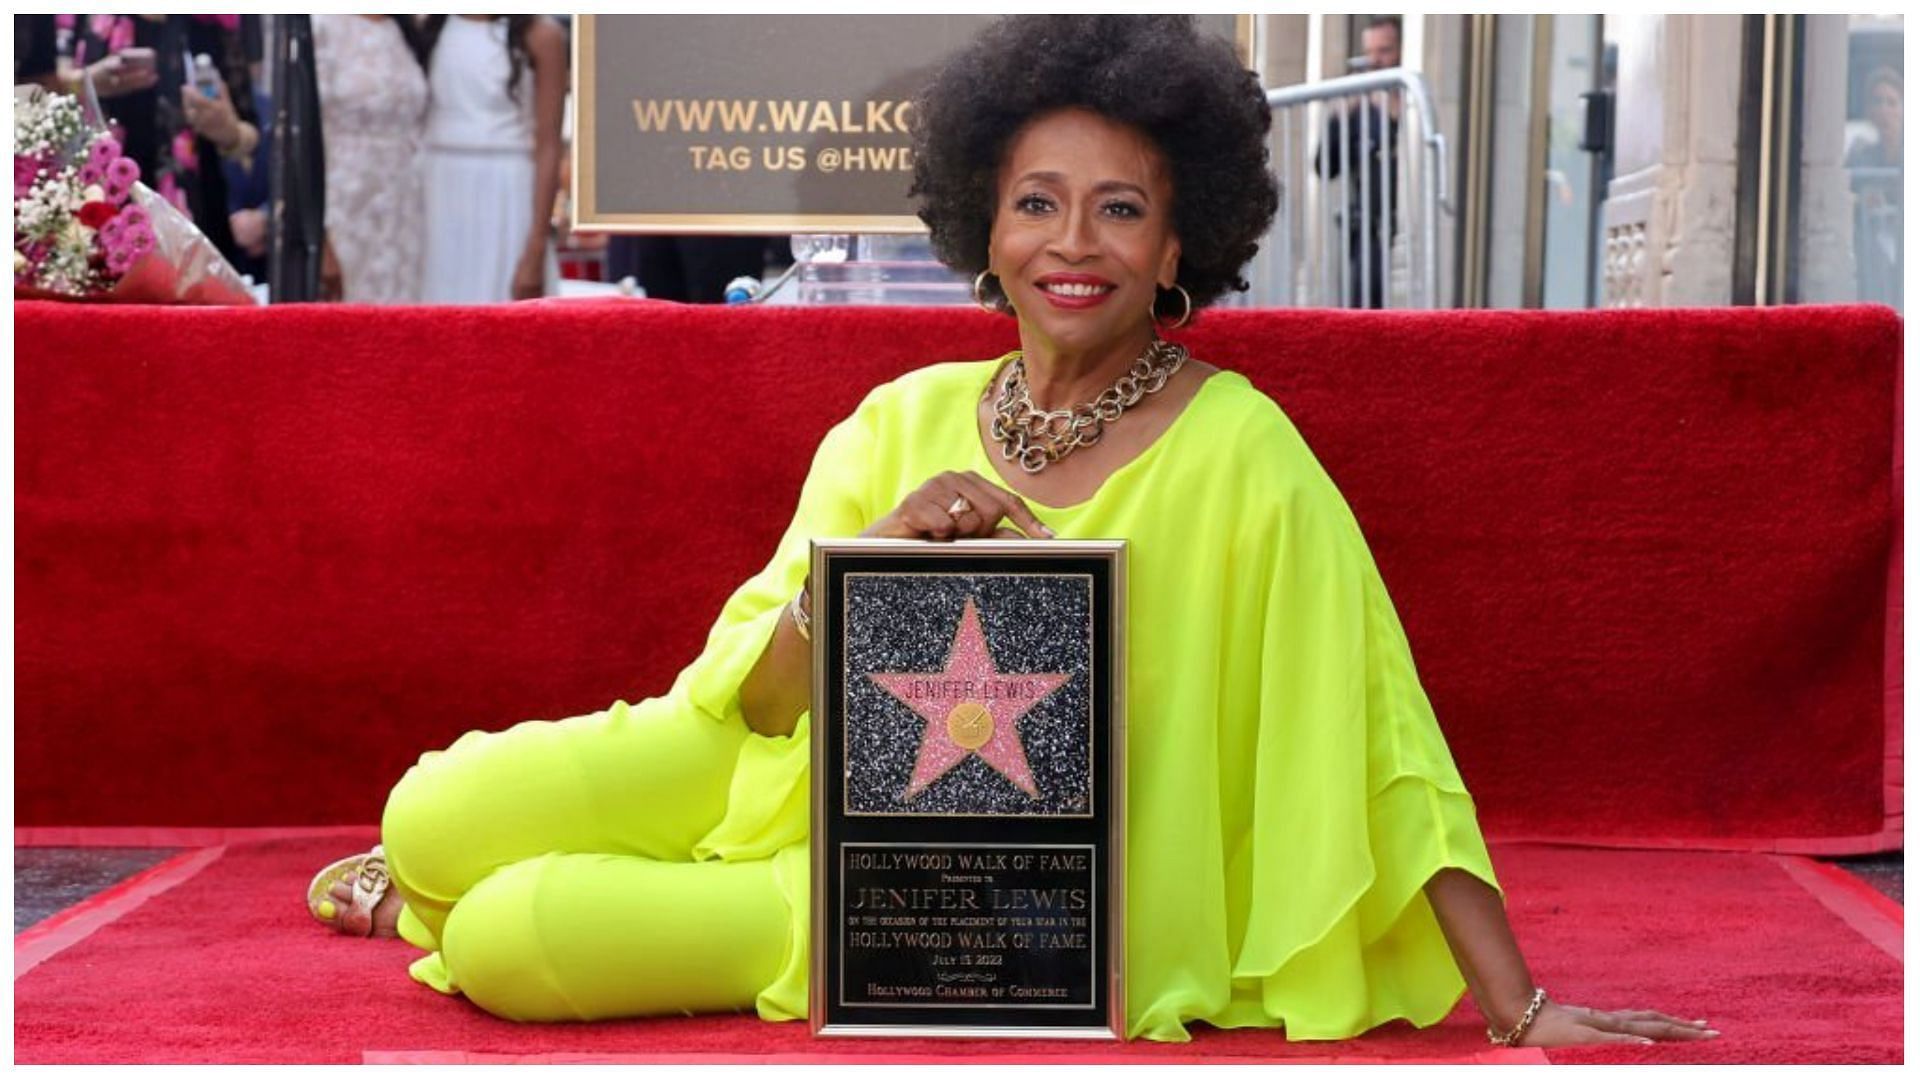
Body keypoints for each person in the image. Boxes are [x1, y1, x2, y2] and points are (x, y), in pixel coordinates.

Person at [308, 16, 1716, 1049]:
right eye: (1037, 204)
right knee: (427, 810)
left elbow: (1387, 741)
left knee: (510, 936)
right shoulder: (894, 418)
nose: (1074, 244)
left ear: (1181, 245)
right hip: (762, 764)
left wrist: (1518, 1005)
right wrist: (865, 572)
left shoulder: (1247, 453)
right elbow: (765, 700)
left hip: (946, 901)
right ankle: (429, 871)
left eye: (1122, 209)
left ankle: (450, 907)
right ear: (983, 229)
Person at [59, 15, 261, 271]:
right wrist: (83, 83)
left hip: (197, 222)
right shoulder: (77, 17)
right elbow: (36, 87)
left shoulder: (210, 20)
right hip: (94, 215)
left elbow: (251, 134)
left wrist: (227, 130)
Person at [417, 14, 565, 303]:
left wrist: (535, 247)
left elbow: (549, 145)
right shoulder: (428, 28)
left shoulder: (542, 36)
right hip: (436, 192)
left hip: (507, 195)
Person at [311, 15, 430, 303]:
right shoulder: (322, 25)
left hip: (406, 210)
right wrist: (320, 238)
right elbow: (309, 136)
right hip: (345, 206)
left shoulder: (405, 29)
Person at [1317, 15, 1401, 308]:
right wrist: (1340, 116)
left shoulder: (1412, 102)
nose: (1376, 61)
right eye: (1370, 52)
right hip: (1367, 233)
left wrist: (1392, 118)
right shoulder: (1358, 110)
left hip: (1404, 232)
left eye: (1385, 51)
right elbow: (1324, 166)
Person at [1846, 66, 1903, 309]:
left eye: (1892, 102)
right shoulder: (1860, 154)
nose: (1884, 111)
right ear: (1868, 111)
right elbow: (1848, 195)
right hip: (1873, 267)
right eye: (1877, 102)